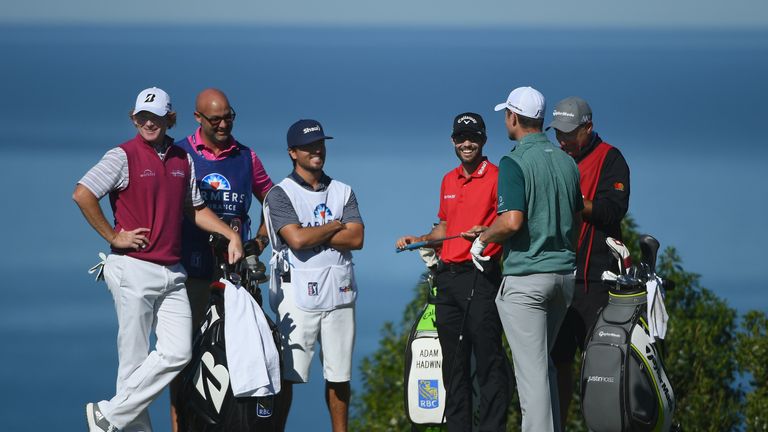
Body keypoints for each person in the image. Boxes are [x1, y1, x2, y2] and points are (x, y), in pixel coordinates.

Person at [73, 87, 243, 432]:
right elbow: (83, 193)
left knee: (179, 353)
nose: (148, 123)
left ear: (171, 118)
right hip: (132, 268)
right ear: (134, 119)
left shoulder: (182, 159)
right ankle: (120, 422)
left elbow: (194, 209)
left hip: (172, 271)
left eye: (155, 117)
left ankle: (109, 416)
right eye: (142, 117)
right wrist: (113, 236)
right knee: (133, 364)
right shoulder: (122, 156)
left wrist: (231, 233)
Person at [470, 86, 583, 432]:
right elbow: (576, 218)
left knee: (531, 380)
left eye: (506, 114)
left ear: (513, 117)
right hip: (563, 278)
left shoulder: (513, 161)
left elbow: (513, 220)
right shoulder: (566, 161)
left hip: (527, 282)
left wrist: (484, 238)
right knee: (543, 368)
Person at [395, 112, 510, 431]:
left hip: (481, 276)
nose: (467, 143)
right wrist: (419, 240)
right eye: (461, 137)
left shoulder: (499, 176)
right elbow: (444, 226)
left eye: (472, 137)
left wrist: (486, 231)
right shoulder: (448, 179)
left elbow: (509, 222)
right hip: (447, 279)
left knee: (489, 363)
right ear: (453, 141)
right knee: (453, 365)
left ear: (484, 139)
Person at [169, 88, 274, 431]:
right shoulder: (179, 153)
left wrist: (259, 240)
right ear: (198, 118)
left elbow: (274, 201)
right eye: (215, 119)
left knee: (240, 355)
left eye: (229, 116)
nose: (224, 124)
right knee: (183, 357)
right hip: (190, 272)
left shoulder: (246, 156)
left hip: (236, 276)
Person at [263, 119, 364, 432]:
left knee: (340, 375)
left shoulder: (343, 191)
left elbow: (356, 238)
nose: (317, 150)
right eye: (308, 146)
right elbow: (296, 240)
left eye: (320, 143)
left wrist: (312, 231)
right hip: (296, 295)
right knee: (288, 374)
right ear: (293, 152)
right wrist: (334, 225)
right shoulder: (280, 194)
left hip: (340, 292)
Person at [547, 96, 630, 428]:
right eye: (558, 133)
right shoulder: (553, 158)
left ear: (588, 129)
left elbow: (613, 210)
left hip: (597, 280)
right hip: (558, 274)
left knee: (600, 366)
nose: (562, 140)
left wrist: (574, 202)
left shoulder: (611, 158)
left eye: (569, 133)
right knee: (558, 362)